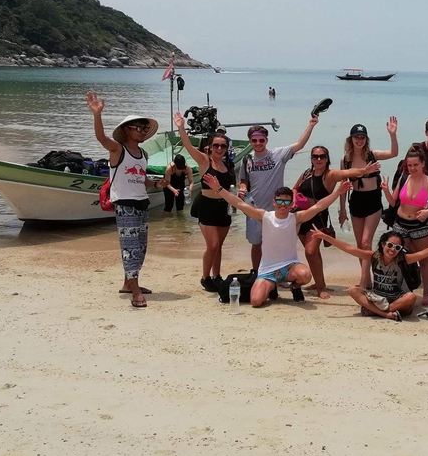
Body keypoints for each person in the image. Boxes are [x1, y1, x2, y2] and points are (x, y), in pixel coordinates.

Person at [202, 176, 351, 307]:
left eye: (287, 201)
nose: (283, 204)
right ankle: (272, 287)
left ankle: (295, 287)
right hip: (268, 270)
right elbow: (240, 204)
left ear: (292, 204)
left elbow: (319, 206)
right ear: (274, 202)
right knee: (256, 301)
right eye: (279, 201)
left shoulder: (296, 218)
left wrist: (338, 192)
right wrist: (219, 189)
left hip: (290, 267)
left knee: (305, 275)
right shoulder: (265, 216)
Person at [85, 91, 168, 308]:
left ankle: (127, 283)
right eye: (137, 128)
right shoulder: (117, 149)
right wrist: (97, 115)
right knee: (130, 246)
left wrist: (157, 184)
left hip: (142, 203)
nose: (142, 131)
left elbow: (141, 179)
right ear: (126, 131)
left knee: (140, 246)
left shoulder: (143, 154)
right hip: (125, 204)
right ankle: (136, 291)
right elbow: (101, 138)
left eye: (144, 128)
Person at [314, 228, 428, 321]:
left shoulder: (403, 259)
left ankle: (378, 312)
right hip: (378, 298)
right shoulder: (373, 256)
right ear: (383, 244)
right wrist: (325, 237)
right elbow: (348, 248)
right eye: (390, 245)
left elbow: (423, 253)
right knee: (353, 290)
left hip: (398, 301)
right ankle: (384, 314)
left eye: (397, 247)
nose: (392, 249)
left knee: (411, 297)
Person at [295, 145, 380, 299]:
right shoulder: (307, 173)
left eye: (322, 156)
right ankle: (319, 282)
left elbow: (346, 172)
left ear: (327, 158)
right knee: (312, 254)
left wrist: (363, 171)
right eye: (315, 156)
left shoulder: (330, 175)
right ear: (311, 159)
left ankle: (321, 288)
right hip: (301, 217)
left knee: (311, 251)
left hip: (318, 218)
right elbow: (294, 189)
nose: (319, 159)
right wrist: (292, 201)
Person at [237, 116, 320, 271]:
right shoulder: (246, 159)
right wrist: (242, 188)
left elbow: (299, 145)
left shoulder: (278, 154)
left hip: (278, 210)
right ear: (250, 142)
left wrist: (311, 125)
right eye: (254, 141)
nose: (258, 144)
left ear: (266, 140)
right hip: (254, 209)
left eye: (261, 140)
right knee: (257, 244)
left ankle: (278, 273)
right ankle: (257, 273)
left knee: (277, 244)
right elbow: (243, 180)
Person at [174, 112, 235, 291]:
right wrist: (180, 127)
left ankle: (217, 276)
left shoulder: (228, 165)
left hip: (224, 208)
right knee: (212, 245)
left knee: (219, 246)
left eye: (223, 146)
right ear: (209, 147)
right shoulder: (204, 160)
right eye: (216, 145)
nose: (219, 149)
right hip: (207, 207)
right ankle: (205, 277)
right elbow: (187, 146)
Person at [339, 117, 399, 286]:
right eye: (356, 137)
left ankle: (366, 281)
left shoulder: (373, 155)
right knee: (360, 245)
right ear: (350, 139)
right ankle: (368, 279)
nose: (359, 140)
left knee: (366, 242)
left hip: (373, 200)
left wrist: (392, 135)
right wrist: (342, 210)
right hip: (355, 201)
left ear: (366, 139)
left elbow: (394, 153)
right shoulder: (346, 160)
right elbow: (343, 186)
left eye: (362, 137)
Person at [384, 146, 428, 305]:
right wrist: (385, 190)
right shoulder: (404, 178)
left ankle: (425, 294)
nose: (412, 168)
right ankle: (400, 290)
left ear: (423, 164)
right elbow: (393, 201)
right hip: (400, 224)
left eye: (415, 165)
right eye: (409, 165)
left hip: (421, 226)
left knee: (424, 260)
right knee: (399, 259)